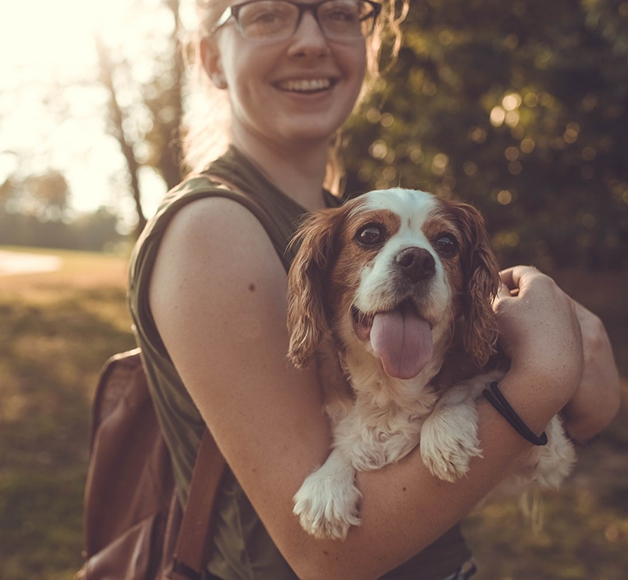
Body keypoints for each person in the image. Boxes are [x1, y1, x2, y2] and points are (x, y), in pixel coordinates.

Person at [127, 1, 621, 578]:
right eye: (266, 13)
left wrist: (580, 395)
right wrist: (543, 379)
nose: (310, 40)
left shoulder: (342, 217)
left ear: (369, 45)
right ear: (211, 57)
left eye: (337, 11)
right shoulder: (213, 227)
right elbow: (325, 555)